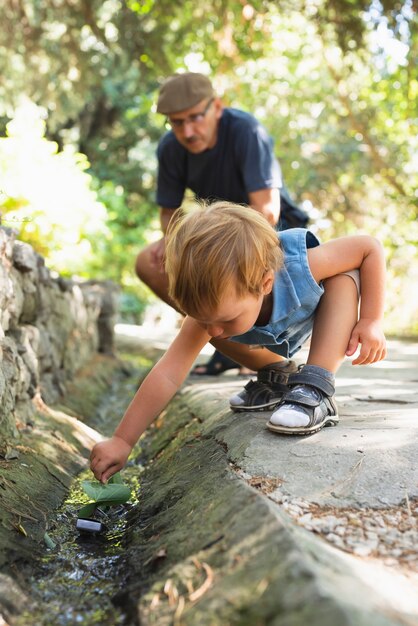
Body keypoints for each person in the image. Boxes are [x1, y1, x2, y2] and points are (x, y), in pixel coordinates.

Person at [90, 201, 386, 484]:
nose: (215, 330)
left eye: (225, 319)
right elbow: (168, 373)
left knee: (343, 278)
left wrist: (371, 320)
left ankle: (316, 385)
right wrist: (122, 440)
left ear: (265, 283)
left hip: (325, 314)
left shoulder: (303, 265)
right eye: (204, 318)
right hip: (273, 337)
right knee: (204, 330)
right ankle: (278, 377)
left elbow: (367, 248)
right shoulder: (213, 316)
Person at [135, 71, 308, 376]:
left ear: (216, 106)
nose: (187, 131)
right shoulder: (170, 149)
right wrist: (174, 246)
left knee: (231, 268)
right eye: (176, 122)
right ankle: (231, 345)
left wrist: (225, 255)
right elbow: (169, 215)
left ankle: (258, 350)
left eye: (194, 117)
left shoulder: (246, 132)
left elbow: (266, 210)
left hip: (270, 233)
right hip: (218, 237)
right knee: (148, 263)